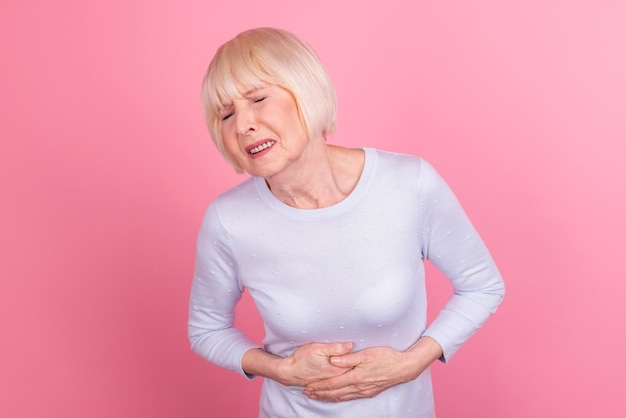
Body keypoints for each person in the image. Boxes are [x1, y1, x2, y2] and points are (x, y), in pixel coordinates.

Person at [188, 27, 505, 418]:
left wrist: (413, 363)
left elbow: (482, 285)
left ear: (306, 92)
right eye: (226, 113)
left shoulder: (409, 184)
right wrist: (280, 370)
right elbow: (206, 330)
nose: (243, 125)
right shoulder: (228, 221)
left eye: (258, 99)